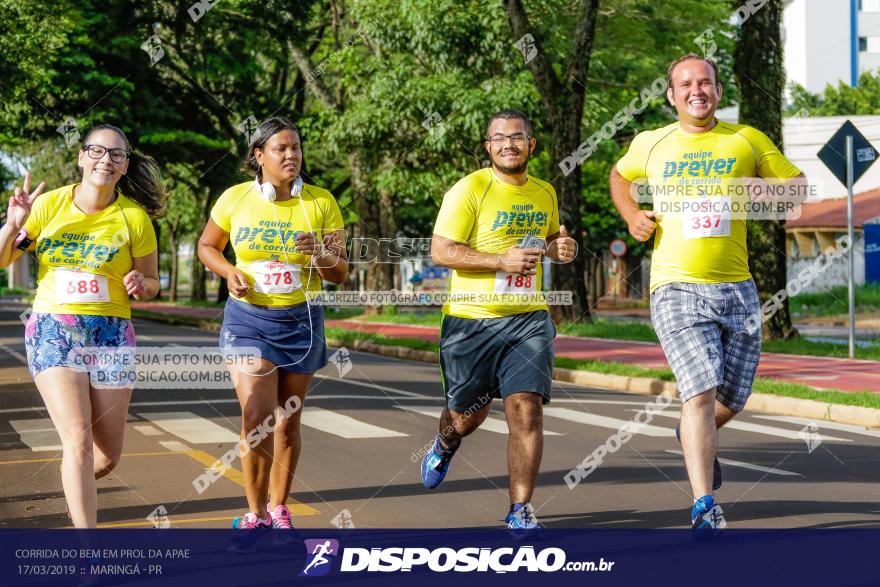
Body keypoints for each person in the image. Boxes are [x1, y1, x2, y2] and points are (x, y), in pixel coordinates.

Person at [609, 54, 805, 535]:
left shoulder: (747, 140)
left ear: (719, 91)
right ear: (672, 95)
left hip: (737, 286)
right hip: (675, 285)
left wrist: (751, 195)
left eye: (706, 83)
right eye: (686, 84)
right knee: (699, 390)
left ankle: (691, 432)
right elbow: (620, 177)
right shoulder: (650, 143)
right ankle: (703, 503)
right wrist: (632, 214)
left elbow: (794, 188)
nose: (697, 90)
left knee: (733, 396)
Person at [0, 124, 164, 527]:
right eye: (96, 151)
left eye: (116, 155)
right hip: (55, 327)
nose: (105, 160)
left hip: (111, 334)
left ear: (125, 167)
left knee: (105, 457)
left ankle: (75, 482)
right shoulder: (47, 206)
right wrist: (12, 223)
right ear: (80, 157)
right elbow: (3, 258)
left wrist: (143, 285)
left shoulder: (135, 219)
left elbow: (154, 284)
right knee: (78, 440)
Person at [419, 109, 576, 530]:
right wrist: (498, 261)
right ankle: (446, 443)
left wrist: (558, 249)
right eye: (500, 138)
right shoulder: (469, 189)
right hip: (471, 321)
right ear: (488, 147)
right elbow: (442, 251)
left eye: (518, 137)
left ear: (532, 145)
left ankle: (519, 510)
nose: (509, 144)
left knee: (526, 410)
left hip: (527, 319)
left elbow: (543, 242)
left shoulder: (544, 192)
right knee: (466, 418)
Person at [197, 117, 347, 550]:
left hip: (302, 320)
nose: (291, 156)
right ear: (258, 156)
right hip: (248, 319)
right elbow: (208, 245)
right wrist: (229, 271)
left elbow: (340, 273)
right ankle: (255, 513)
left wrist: (318, 252)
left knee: (287, 423)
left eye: (296, 148)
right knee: (257, 419)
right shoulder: (235, 198)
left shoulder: (320, 203)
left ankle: (279, 509)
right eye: (280, 149)